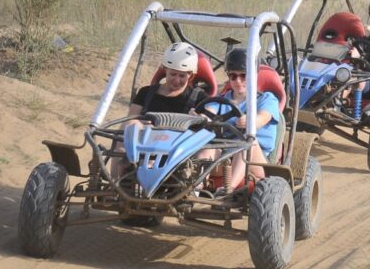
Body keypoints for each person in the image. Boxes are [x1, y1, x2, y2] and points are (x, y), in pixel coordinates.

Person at [112, 42, 207, 180]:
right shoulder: (146, 93)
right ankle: (115, 184)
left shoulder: (199, 97)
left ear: (191, 76)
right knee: (130, 125)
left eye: (182, 76)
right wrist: (142, 124)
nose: (176, 80)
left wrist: (198, 118)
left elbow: (207, 123)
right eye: (172, 74)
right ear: (164, 70)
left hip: (178, 154)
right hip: (142, 148)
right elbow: (130, 120)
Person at [200, 47, 281, 193]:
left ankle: (228, 189)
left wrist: (251, 121)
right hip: (224, 156)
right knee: (204, 148)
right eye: (233, 76)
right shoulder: (221, 99)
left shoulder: (266, 99)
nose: (238, 81)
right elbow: (207, 114)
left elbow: (263, 117)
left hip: (256, 161)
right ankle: (195, 188)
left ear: (254, 75)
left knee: (246, 140)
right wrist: (199, 118)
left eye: (243, 76)